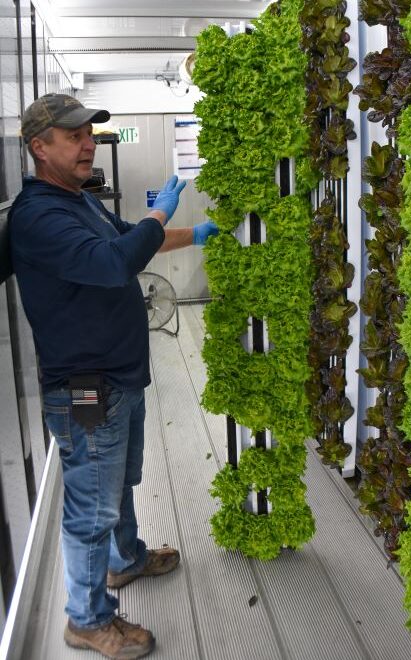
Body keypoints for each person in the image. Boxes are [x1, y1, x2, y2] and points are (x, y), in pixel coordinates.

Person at [9, 93, 218, 659]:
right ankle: (86, 620)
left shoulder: (78, 200)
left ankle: (125, 561)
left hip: (118, 379)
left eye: (90, 134)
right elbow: (112, 263)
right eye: (73, 136)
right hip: (86, 390)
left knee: (117, 485)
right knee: (90, 510)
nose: (87, 144)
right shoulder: (39, 217)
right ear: (39, 147)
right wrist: (160, 215)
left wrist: (192, 234)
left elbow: (129, 240)